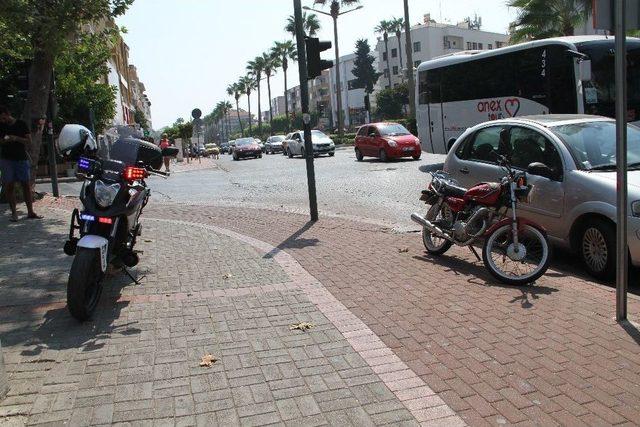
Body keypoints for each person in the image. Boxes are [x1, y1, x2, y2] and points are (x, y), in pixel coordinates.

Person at [0, 105, 41, 221]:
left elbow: (29, 141)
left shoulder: (21, 124)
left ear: (7, 114)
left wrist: (15, 138)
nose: (2, 121)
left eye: (3, 118)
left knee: (26, 185)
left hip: (21, 158)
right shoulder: (1, 126)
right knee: (9, 186)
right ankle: (14, 213)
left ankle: (30, 211)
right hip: (6, 159)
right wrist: (4, 140)